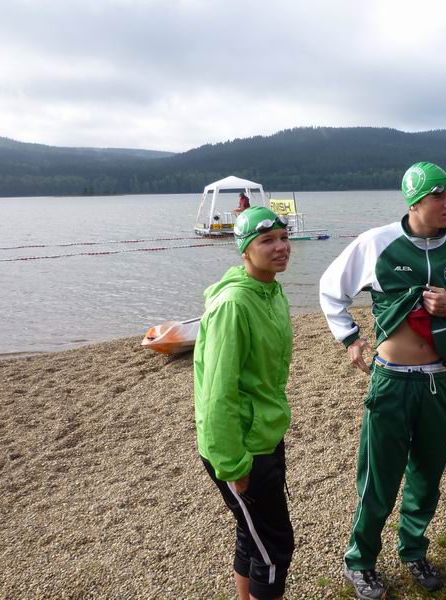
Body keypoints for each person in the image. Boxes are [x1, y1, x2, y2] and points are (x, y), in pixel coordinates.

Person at [319, 162, 446, 599]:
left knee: (428, 477)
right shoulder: (377, 243)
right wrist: (350, 339)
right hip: (392, 381)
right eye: (439, 196)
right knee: (379, 479)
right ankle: (360, 561)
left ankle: (413, 550)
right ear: (414, 202)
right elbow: (331, 290)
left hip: (440, 381)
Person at [194, 206, 294, 600]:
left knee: (251, 534)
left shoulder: (271, 291)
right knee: (275, 548)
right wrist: (233, 463)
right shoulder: (234, 304)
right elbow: (216, 393)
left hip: (264, 434)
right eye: (267, 240)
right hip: (241, 447)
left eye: (283, 238)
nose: (281, 247)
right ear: (245, 250)